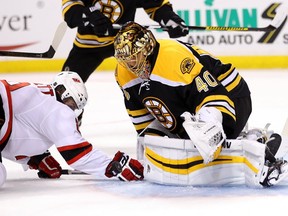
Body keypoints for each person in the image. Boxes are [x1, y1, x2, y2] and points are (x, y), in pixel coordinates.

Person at [113, 21, 288, 187]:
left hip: (230, 94)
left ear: (147, 49)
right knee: (173, 137)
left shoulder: (174, 59)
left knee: (205, 138)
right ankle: (244, 138)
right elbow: (140, 114)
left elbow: (214, 94)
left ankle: (254, 143)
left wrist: (211, 128)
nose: (129, 64)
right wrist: (149, 148)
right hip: (189, 102)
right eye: (125, 59)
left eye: (134, 57)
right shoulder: (123, 73)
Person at [0, 71, 144, 188]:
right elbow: (76, 154)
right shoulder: (57, 108)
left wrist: (36, 157)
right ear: (61, 91)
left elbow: (14, 134)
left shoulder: (38, 96)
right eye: (71, 104)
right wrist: (114, 166)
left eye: (74, 107)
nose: (71, 110)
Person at [61, 0, 189, 82]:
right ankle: (68, 123)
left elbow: (156, 6)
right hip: (88, 45)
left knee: (152, 81)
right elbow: (70, 11)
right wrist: (90, 16)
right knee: (66, 87)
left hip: (126, 42)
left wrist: (170, 19)